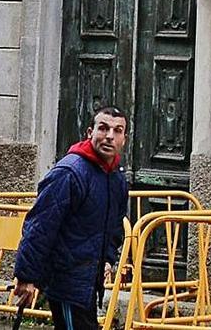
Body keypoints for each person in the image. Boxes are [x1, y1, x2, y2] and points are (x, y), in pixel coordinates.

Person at [14, 107, 130, 330]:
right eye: (103, 128)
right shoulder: (70, 172)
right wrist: (27, 277)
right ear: (90, 132)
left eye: (117, 131)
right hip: (67, 281)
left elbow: (114, 225)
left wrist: (107, 259)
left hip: (89, 280)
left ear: (123, 139)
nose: (109, 136)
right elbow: (40, 226)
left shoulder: (115, 178)